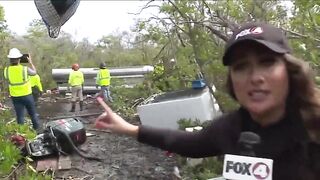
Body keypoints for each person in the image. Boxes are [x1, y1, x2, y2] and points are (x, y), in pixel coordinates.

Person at [94, 22, 320, 179]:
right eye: (241, 67)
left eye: (267, 62)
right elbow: (187, 143)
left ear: (289, 71)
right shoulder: (231, 127)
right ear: (232, 81)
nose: (255, 77)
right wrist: (129, 129)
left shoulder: (314, 125)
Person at [3, 48, 40, 130]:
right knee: (33, 114)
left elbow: (7, 78)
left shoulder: (6, 70)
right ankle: (37, 131)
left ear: (10, 59)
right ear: (19, 59)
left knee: (20, 116)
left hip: (15, 97)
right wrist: (30, 63)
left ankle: (21, 134)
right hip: (27, 95)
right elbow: (34, 73)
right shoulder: (24, 69)